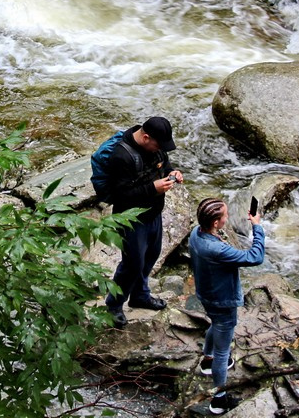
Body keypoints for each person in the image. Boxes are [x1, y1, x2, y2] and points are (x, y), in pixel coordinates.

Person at [105, 116, 184, 330]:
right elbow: (120, 195)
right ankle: (113, 305)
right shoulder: (121, 156)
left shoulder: (156, 148)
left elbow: (164, 164)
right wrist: (153, 188)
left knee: (151, 255)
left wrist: (172, 173)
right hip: (130, 219)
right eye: (159, 145)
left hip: (153, 214)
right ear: (146, 137)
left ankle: (140, 295)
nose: (161, 149)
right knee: (132, 264)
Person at [188, 197, 265, 415]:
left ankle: (207, 359)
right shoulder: (216, 250)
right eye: (224, 215)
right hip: (223, 300)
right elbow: (255, 257)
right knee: (224, 351)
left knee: (216, 323)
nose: (227, 217)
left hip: (206, 294)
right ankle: (219, 399)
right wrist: (257, 227)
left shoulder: (196, 233)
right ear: (215, 222)